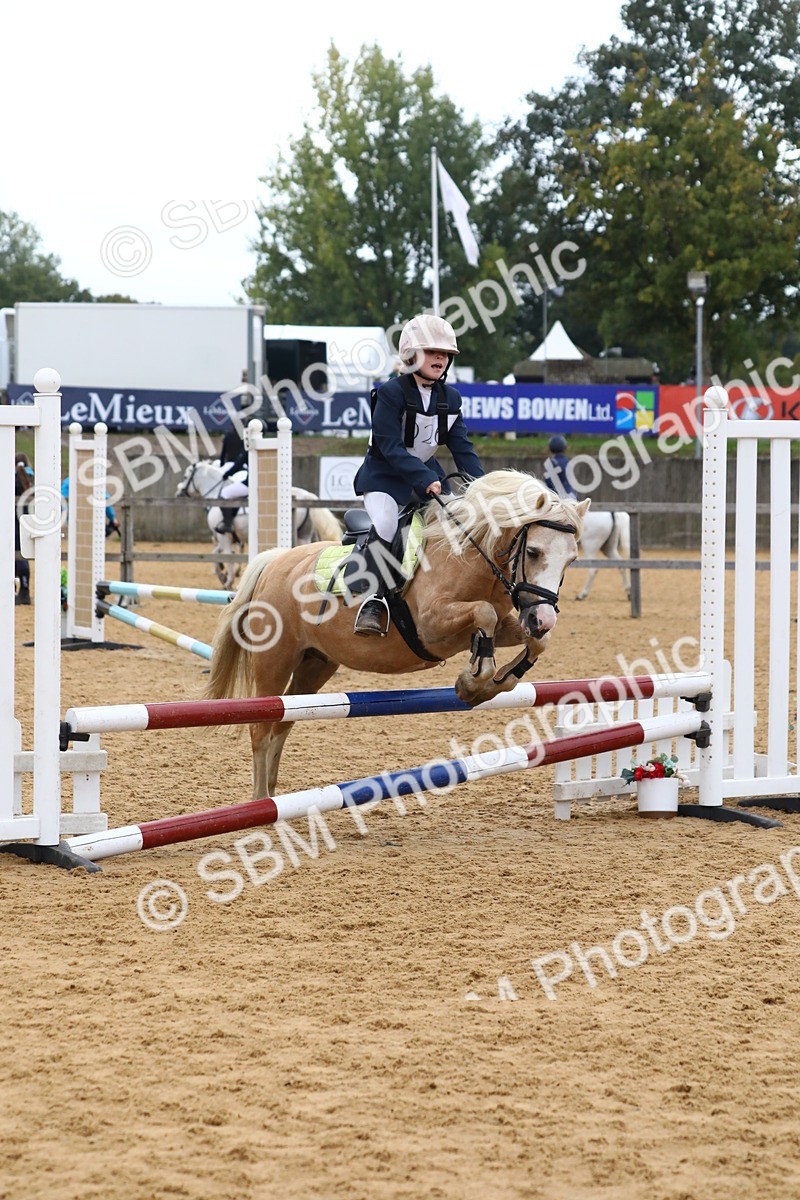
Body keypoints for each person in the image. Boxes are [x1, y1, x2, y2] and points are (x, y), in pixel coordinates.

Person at [351, 313, 484, 636]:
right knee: (386, 523)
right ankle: (373, 599)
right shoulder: (390, 392)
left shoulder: (451, 399)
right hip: (384, 476)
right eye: (432, 351)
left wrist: (483, 487)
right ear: (410, 355)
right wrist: (423, 477)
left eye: (445, 354)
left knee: (456, 522)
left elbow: (462, 448)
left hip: (426, 476)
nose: (440, 358)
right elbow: (389, 446)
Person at [216, 428, 249, 535]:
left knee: (224, 493)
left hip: (249, 483)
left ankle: (227, 523)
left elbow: (236, 462)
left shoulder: (229, 436)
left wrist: (226, 474)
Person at [14, 453, 33, 605]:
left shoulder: (13, 479)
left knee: (16, 557)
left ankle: (22, 591)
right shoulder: (32, 477)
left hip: (14, 521)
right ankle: (24, 589)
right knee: (23, 557)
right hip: (28, 521)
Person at [543, 434, 577, 499]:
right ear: (564, 448)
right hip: (572, 496)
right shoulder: (568, 462)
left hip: (559, 497)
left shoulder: (552, 462)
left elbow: (549, 482)